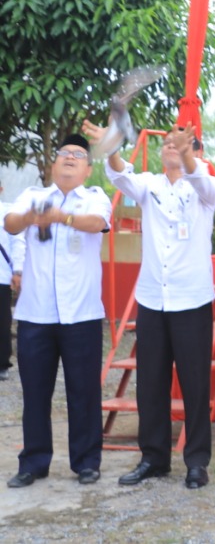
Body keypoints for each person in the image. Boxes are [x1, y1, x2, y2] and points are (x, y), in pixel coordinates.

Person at [86, 121, 215, 489]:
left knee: (194, 384)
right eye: (167, 143)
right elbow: (120, 176)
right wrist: (111, 146)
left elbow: (203, 182)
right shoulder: (151, 184)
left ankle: (196, 461)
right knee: (149, 383)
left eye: (180, 143)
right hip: (152, 298)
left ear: (195, 149)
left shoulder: (206, 183)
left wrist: (188, 154)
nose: (170, 147)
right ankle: (154, 458)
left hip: (191, 299)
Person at [4, 133, 111, 488]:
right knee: (35, 392)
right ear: (53, 164)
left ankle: (86, 462)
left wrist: (61, 217)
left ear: (87, 169)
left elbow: (97, 224)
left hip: (81, 314)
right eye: (64, 153)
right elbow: (10, 223)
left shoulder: (95, 198)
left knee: (83, 391)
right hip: (36, 314)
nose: (69, 158)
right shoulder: (34, 196)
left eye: (78, 155)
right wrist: (34, 217)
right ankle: (34, 462)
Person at [0, 180, 24, 382]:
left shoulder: (8, 213)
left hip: (1, 275)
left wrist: (18, 269)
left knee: (2, 320)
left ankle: (2, 363)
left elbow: (17, 241)